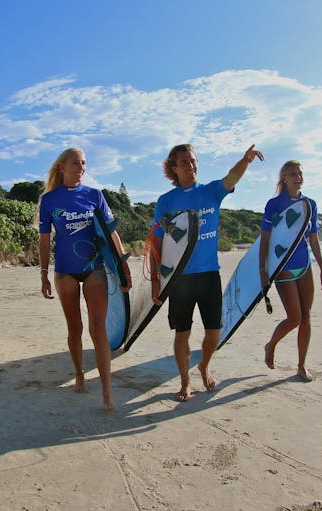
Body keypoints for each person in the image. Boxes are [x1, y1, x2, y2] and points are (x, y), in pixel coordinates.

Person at [151, 143, 264, 401]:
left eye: (193, 161)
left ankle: (204, 364)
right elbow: (157, 242)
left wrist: (245, 161)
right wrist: (156, 279)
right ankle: (185, 382)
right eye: (184, 162)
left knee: (214, 331)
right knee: (183, 332)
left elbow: (231, 178)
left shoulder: (211, 192)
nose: (190, 166)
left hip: (209, 273)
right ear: (174, 168)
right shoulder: (166, 202)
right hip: (180, 278)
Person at [38, 148, 131, 411]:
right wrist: (43, 274)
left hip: (94, 268)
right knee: (74, 328)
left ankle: (106, 391)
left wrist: (123, 265)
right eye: (76, 163)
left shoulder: (95, 195)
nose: (81, 168)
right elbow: (44, 241)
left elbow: (112, 234)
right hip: (65, 270)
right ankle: (79, 374)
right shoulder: (50, 200)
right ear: (62, 167)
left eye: (84, 163)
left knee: (97, 329)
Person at [261, 160, 322, 381]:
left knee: (306, 317)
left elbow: (314, 238)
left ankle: (301, 366)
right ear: (284, 178)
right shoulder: (274, 204)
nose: (297, 176)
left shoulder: (310, 204)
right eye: (292, 174)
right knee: (294, 318)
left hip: (304, 265)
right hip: (283, 267)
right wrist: (263, 268)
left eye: (299, 173)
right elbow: (266, 238)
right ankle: (271, 345)